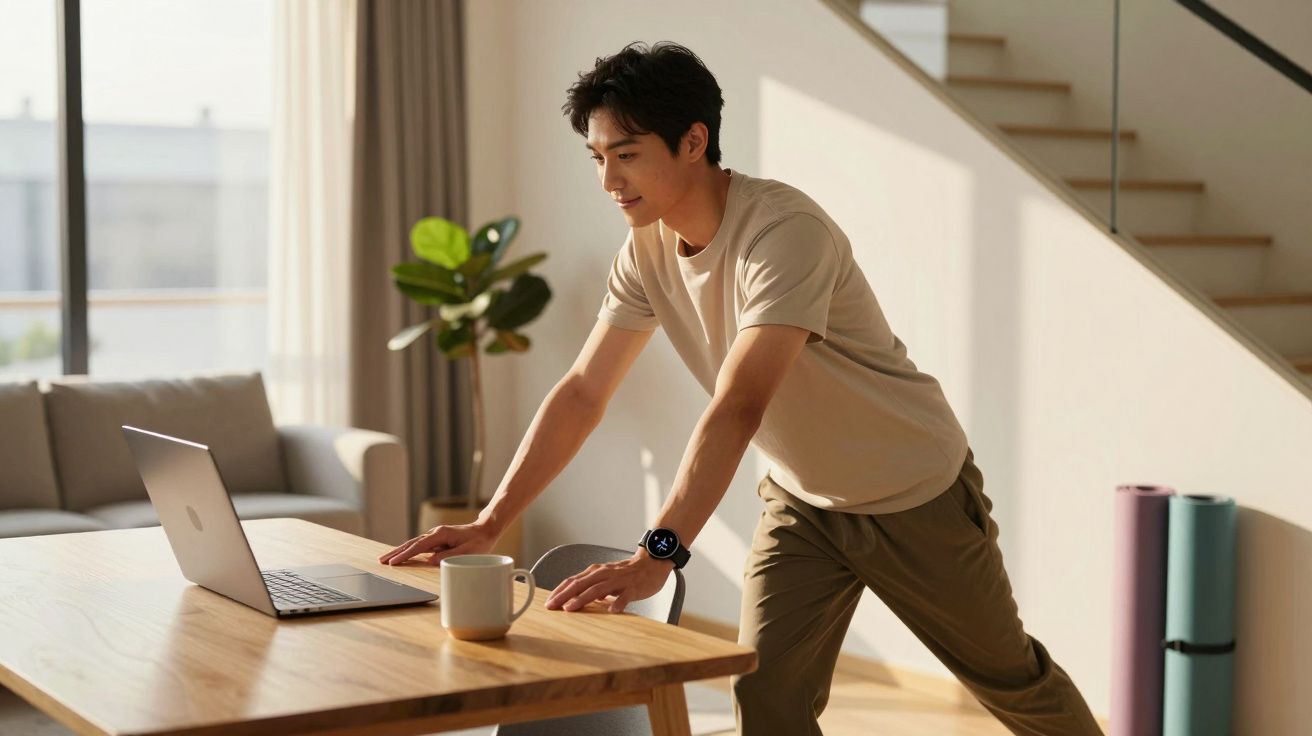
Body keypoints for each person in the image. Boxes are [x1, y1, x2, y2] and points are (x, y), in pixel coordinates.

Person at [379, 41, 1102, 736]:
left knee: (1011, 680)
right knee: (763, 690)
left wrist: (657, 553)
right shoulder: (646, 247)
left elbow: (738, 406)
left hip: (911, 492)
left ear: (694, 141)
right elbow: (583, 392)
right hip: (803, 502)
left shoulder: (784, 233)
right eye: (598, 158)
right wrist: (491, 521)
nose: (608, 181)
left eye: (626, 155)